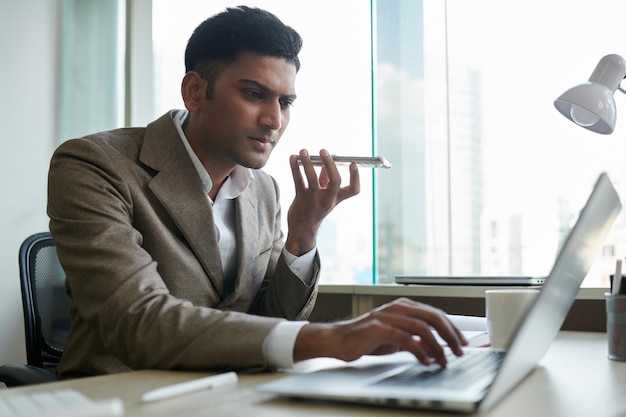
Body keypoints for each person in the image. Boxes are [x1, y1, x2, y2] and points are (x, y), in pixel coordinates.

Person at [47, 6, 466, 378]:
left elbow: (271, 322)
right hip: (120, 397)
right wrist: (330, 338)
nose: (273, 120)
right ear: (194, 91)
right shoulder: (94, 164)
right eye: (254, 94)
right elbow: (136, 321)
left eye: (285, 102)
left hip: (233, 396)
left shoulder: (263, 190)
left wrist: (303, 233)